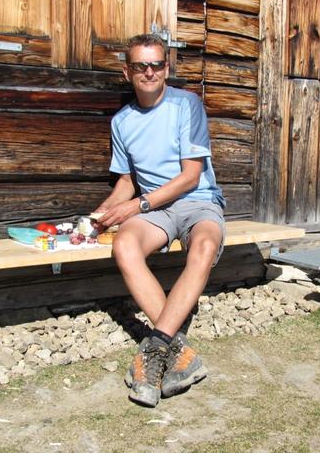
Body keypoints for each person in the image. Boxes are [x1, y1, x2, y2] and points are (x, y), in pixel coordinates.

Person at [91, 33, 225, 407]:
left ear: (166, 68)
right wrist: (101, 215)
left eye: (156, 64)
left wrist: (137, 206)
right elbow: (126, 182)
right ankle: (181, 353)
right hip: (157, 210)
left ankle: (156, 347)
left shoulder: (187, 104)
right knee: (124, 244)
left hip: (197, 202)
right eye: (140, 66)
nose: (149, 72)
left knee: (204, 244)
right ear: (127, 72)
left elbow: (190, 177)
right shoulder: (122, 122)